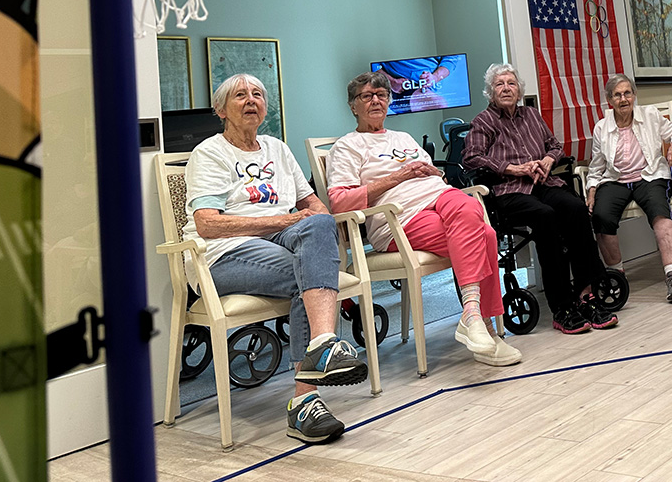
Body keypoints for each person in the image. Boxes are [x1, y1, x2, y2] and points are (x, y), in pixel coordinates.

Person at [183, 73, 368, 445]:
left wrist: (317, 217)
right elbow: (207, 225)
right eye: (239, 95)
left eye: (257, 94)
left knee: (317, 228)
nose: (251, 100)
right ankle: (307, 398)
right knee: (311, 276)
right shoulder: (209, 153)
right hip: (225, 254)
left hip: (278, 242)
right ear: (220, 109)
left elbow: (309, 202)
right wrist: (287, 220)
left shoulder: (277, 149)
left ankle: (320, 349)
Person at [326, 71, 521, 368]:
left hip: (438, 199)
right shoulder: (347, 146)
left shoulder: (403, 137)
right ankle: (486, 328)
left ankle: (473, 316)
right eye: (367, 96)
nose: (376, 101)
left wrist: (435, 173)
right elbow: (339, 201)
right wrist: (397, 177)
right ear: (353, 106)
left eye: (382, 95)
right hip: (398, 220)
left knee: (470, 210)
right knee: (485, 236)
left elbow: (434, 173)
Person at [463, 63, 617, 334]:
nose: (506, 88)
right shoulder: (483, 122)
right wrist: (512, 168)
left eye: (511, 83)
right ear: (490, 92)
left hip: (542, 183)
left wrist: (547, 159)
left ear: (519, 89)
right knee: (545, 216)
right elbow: (472, 158)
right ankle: (561, 306)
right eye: (499, 84)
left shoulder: (531, 115)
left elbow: (555, 145)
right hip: (508, 191)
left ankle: (586, 293)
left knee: (576, 207)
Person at [586, 74, 672, 302]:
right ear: (609, 100)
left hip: (649, 176)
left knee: (660, 213)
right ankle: (616, 276)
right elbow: (596, 166)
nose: (624, 99)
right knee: (602, 217)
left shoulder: (650, 115)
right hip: (615, 180)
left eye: (627, 93)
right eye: (617, 95)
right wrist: (592, 188)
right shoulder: (601, 128)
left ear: (634, 95)